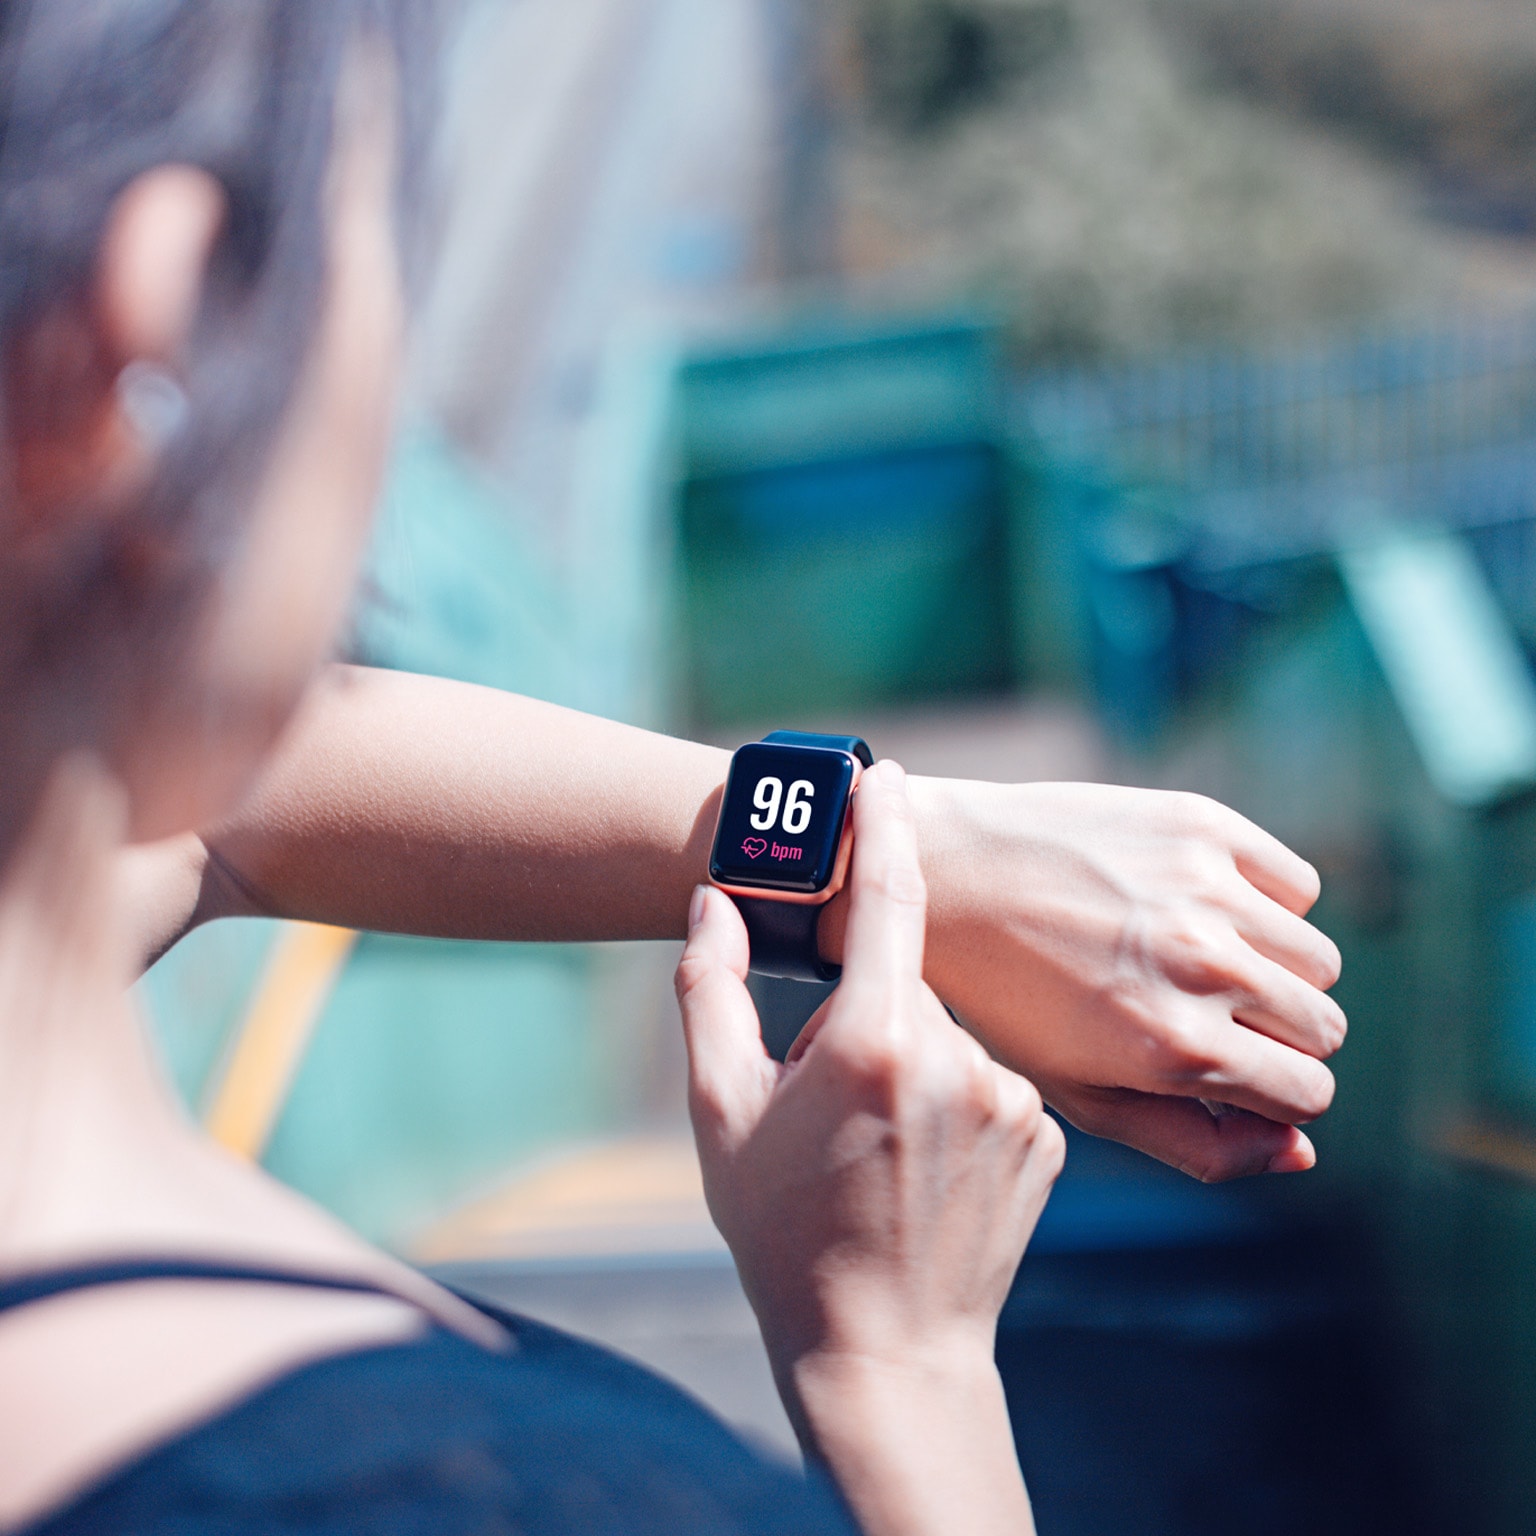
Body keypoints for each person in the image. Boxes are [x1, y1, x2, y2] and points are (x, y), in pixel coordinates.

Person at [0, 1, 1344, 1531]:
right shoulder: (489, 1494)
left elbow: (231, 806)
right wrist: (898, 1371)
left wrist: (902, 860)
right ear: (152, 334)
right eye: (380, 230)